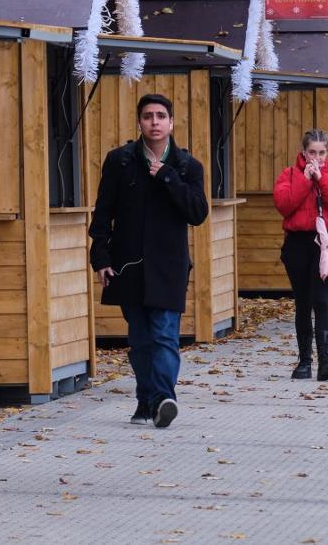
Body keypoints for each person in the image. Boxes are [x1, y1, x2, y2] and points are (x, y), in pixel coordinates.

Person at [90, 94, 209, 428]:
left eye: (160, 116)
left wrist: (168, 177)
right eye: (147, 116)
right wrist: (100, 257)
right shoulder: (120, 161)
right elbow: (103, 213)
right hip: (128, 265)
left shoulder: (187, 166)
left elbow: (198, 213)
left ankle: (163, 399)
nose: (154, 122)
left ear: (171, 123)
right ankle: (147, 401)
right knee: (141, 339)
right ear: (139, 122)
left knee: (165, 335)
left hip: (169, 266)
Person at [273, 129, 328, 381]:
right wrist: (306, 180)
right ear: (303, 152)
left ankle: (325, 361)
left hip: (324, 245)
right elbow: (284, 205)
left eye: (321, 152)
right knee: (303, 302)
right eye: (311, 153)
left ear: (327, 153)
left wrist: (321, 179)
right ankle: (304, 360)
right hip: (298, 243)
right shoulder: (290, 174)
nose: (316, 157)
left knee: (321, 301)